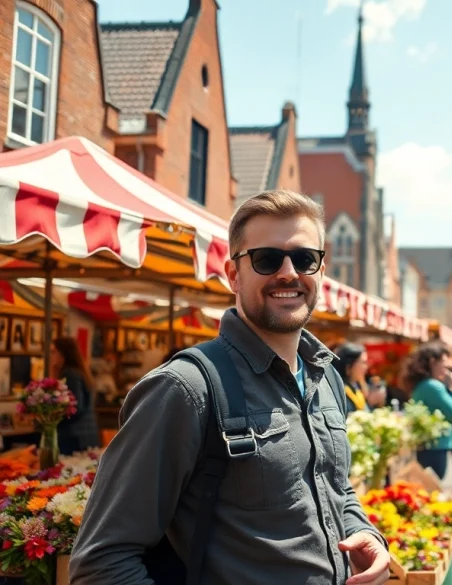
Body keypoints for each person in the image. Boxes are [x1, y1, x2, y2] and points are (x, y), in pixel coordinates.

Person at [70, 189, 389, 585]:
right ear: (234, 275)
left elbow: (332, 485)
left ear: (321, 271)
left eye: (305, 258)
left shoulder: (327, 378)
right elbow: (101, 560)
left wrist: (363, 530)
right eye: (267, 258)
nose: (289, 272)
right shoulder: (185, 389)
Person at [402, 342, 452, 480]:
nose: (448, 366)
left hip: (427, 446)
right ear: (432, 362)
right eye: (444, 361)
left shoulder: (423, 384)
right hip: (434, 448)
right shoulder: (433, 386)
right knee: (433, 488)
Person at [50, 337, 101, 454]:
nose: (51, 356)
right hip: (87, 434)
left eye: (54, 352)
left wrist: (52, 420)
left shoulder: (70, 374)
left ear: (63, 353)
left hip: (74, 436)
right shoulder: (81, 373)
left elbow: (75, 407)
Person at [334, 342, 385, 414]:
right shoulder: (337, 392)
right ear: (348, 367)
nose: (366, 367)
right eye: (363, 362)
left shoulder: (356, 387)